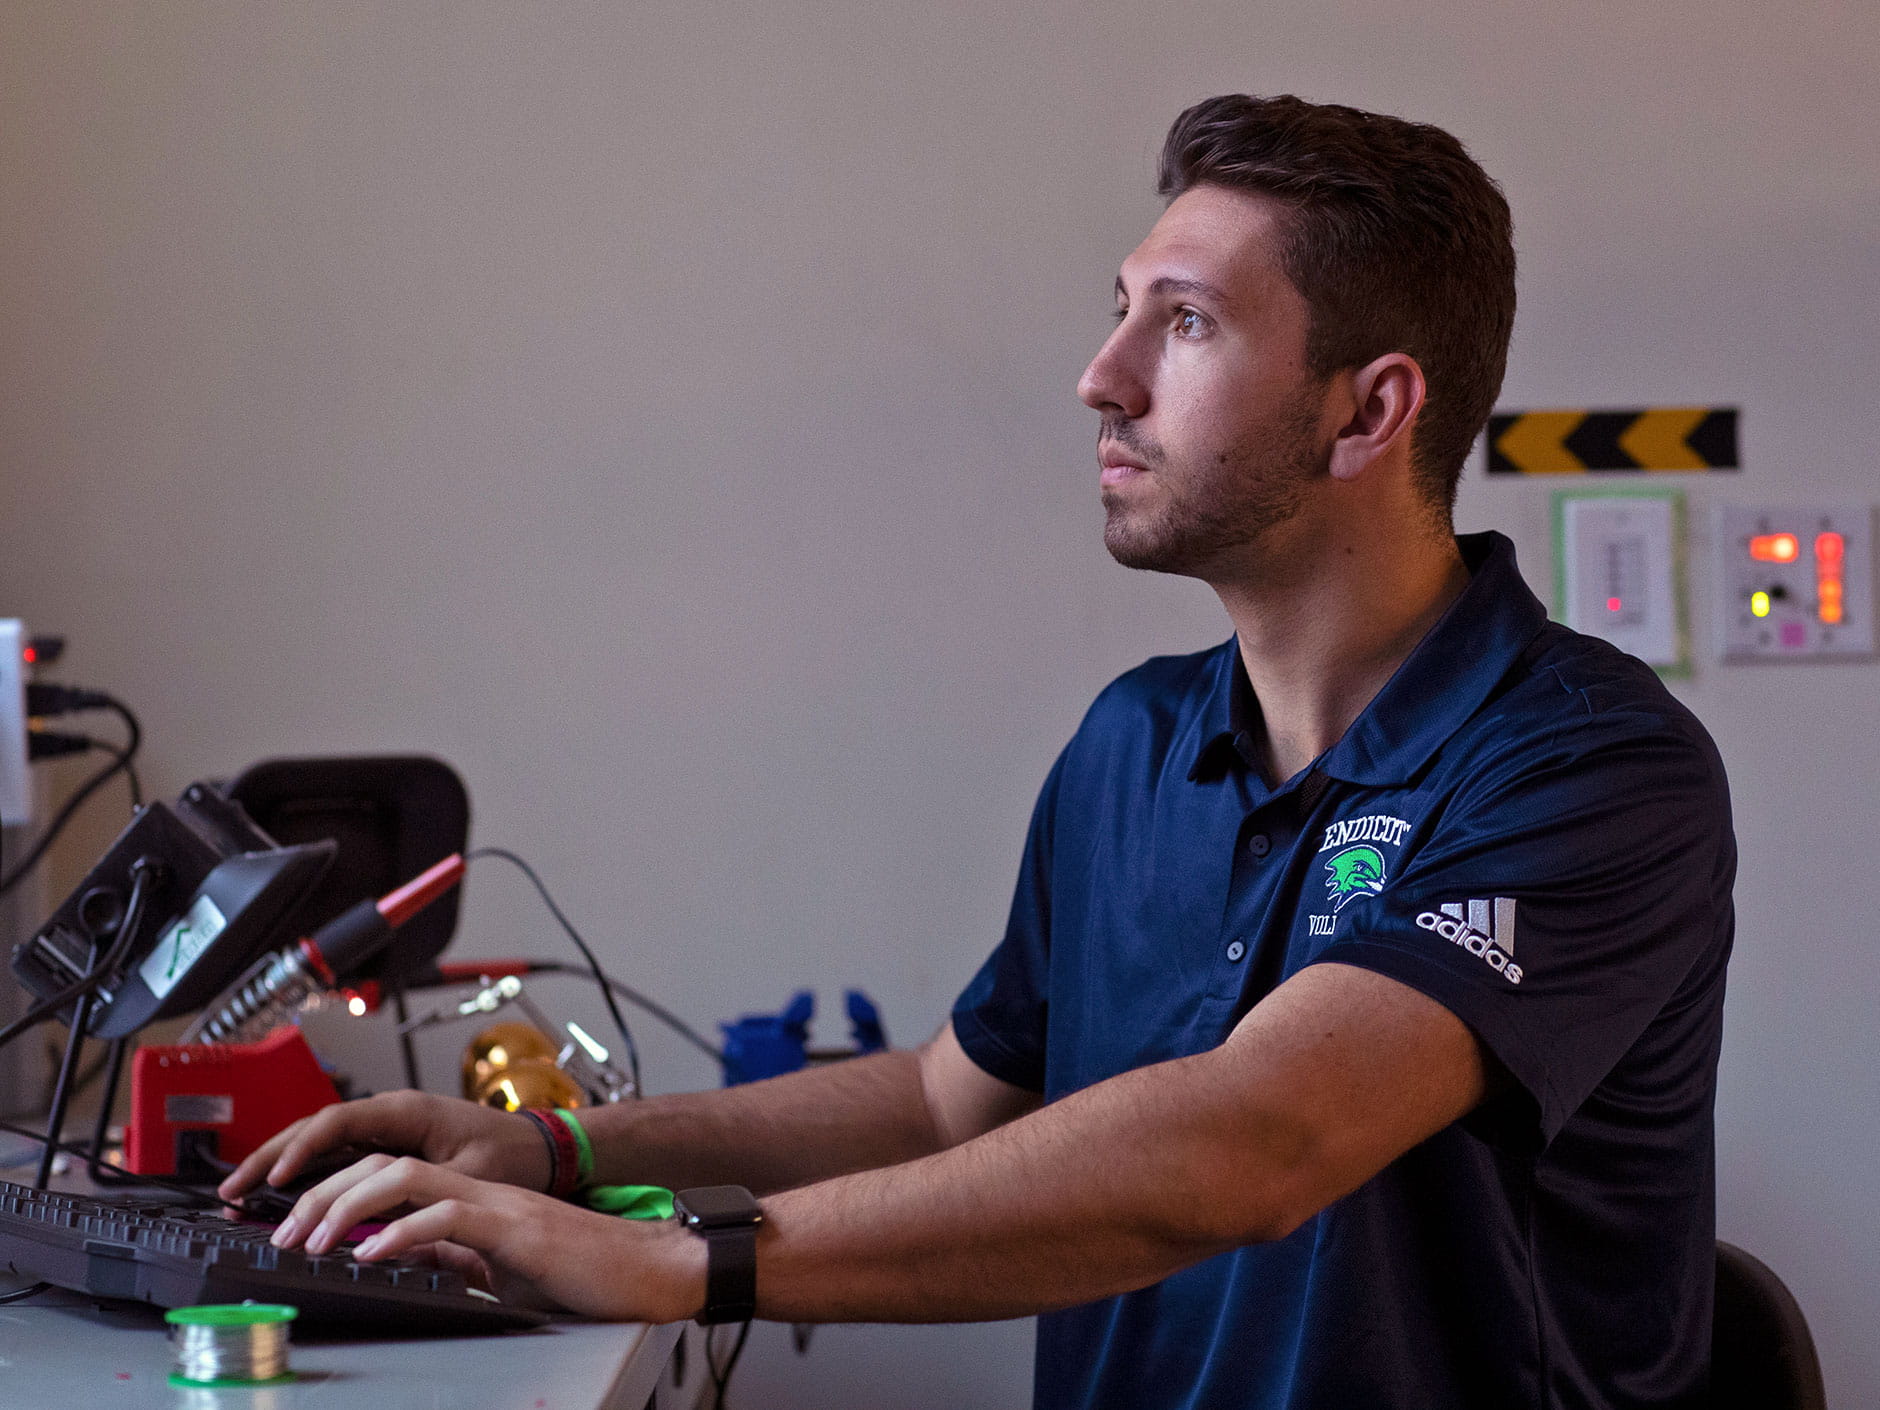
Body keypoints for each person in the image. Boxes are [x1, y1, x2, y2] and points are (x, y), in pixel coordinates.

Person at [224, 94, 1734, 1409]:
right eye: (1122, 305)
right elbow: (957, 1099)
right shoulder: (1135, 741)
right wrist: (550, 1147)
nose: (1104, 372)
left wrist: (682, 1263)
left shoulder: (1587, 767)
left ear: (1368, 411)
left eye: (1186, 323)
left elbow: (1260, 1139)